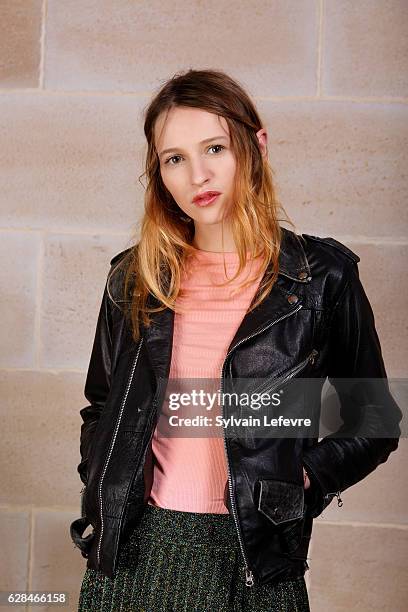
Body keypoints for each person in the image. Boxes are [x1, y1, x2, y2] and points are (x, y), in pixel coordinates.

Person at [70, 69, 401, 611]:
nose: (197, 174)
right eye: (174, 158)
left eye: (215, 148)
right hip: (133, 551)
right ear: (160, 174)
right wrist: (106, 480)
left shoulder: (320, 277)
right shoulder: (136, 277)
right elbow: (102, 406)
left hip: (256, 551)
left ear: (256, 146)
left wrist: (301, 481)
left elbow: (375, 420)